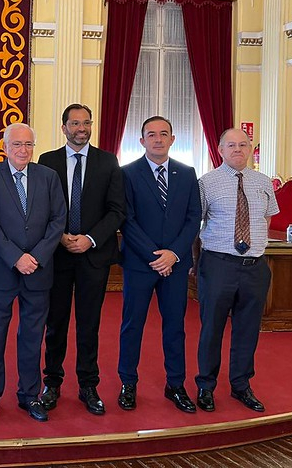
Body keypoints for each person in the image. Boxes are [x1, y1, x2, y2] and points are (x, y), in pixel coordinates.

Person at [38, 104, 126, 415]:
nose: (82, 128)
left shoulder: (108, 161)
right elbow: (42, 208)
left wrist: (89, 239)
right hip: (57, 254)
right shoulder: (47, 162)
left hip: (94, 256)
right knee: (56, 323)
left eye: (87, 122)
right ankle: (52, 382)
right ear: (64, 128)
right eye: (75, 123)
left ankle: (88, 385)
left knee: (89, 324)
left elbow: (117, 210)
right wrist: (61, 236)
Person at [0, 123, 66, 423]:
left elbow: (58, 221)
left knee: (32, 335)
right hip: (2, 269)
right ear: (4, 147)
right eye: (17, 144)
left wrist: (36, 257)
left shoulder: (48, 177)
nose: (23, 150)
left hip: (39, 272)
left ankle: (29, 395)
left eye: (29, 144)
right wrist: (16, 257)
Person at [117, 116, 201, 413]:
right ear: (141, 141)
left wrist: (173, 254)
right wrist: (155, 256)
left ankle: (175, 384)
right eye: (151, 135)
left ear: (172, 139)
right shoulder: (127, 173)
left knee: (175, 326)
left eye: (163, 134)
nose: (157, 139)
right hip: (140, 264)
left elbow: (194, 218)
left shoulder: (187, 173)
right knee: (132, 325)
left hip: (175, 266)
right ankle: (128, 383)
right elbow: (126, 219)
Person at [195, 128, 279, 413]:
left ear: (250, 147)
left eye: (243, 144)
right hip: (219, 265)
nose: (238, 149)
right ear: (220, 149)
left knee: (247, 330)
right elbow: (197, 224)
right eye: (231, 145)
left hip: (254, 267)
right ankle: (205, 386)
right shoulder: (207, 183)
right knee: (212, 329)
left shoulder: (263, 182)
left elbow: (266, 218)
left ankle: (241, 385)